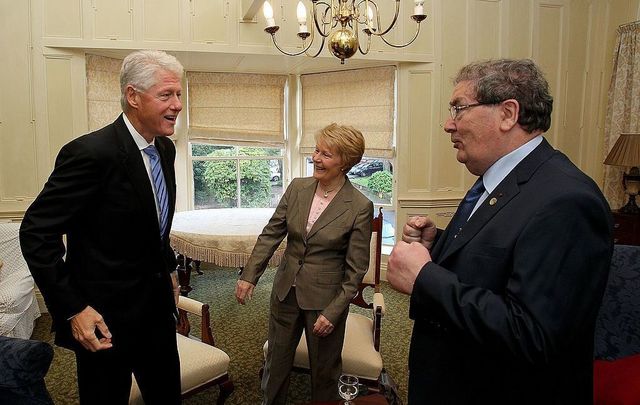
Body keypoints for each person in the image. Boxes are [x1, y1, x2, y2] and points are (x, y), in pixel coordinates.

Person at [387, 59, 613, 404]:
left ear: (508, 113)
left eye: (459, 108)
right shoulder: (499, 180)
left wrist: (424, 277)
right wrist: (441, 243)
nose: (449, 124)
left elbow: (532, 334)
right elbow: (503, 254)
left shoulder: (567, 200)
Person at [20, 50, 184, 405]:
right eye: (166, 95)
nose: (177, 105)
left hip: (156, 314)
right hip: (104, 321)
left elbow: (152, 224)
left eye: (179, 94)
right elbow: (36, 232)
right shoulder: (90, 153)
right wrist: (73, 308)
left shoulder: (165, 150)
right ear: (133, 97)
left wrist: (168, 268)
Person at [236, 123, 374, 404]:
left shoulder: (359, 206)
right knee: (276, 362)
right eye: (316, 150)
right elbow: (271, 233)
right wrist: (249, 276)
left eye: (326, 154)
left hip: (324, 302)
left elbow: (356, 269)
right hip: (285, 291)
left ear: (345, 162)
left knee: (324, 370)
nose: (316, 158)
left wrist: (334, 311)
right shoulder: (298, 188)